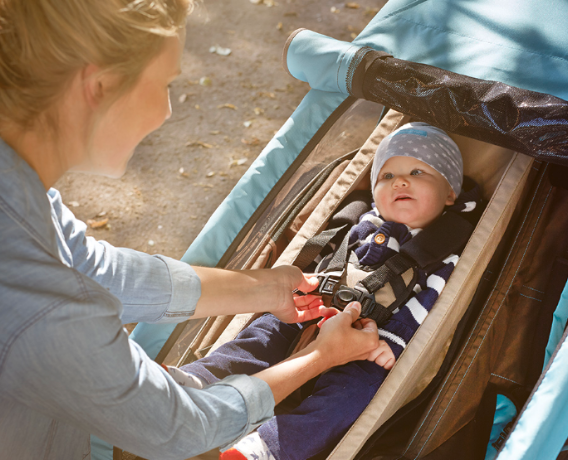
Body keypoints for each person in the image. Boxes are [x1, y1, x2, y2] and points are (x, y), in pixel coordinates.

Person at [0, 0, 382, 459]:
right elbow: (178, 431)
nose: (167, 109)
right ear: (99, 85)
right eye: (165, 84)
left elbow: (92, 268)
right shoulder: (37, 303)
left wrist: (264, 288)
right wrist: (322, 356)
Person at [173, 122, 482, 460]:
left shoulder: (445, 248)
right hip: (309, 311)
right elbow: (322, 259)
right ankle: (198, 381)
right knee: (259, 337)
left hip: (369, 343)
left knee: (349, 398)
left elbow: (428, 305)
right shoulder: (358, 220)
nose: (401, 181)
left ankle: (267, 447)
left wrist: (391, 344)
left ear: (450, 193)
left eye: (418, 172)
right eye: (387, 176)